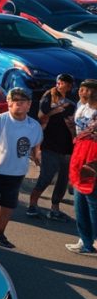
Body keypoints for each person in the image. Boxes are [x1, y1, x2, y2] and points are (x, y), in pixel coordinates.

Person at [0, 88, 43, 248]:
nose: (19, 103)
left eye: (23, 101)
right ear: (8, 102)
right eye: (15, 100)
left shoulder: (34, 126)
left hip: (17, 173)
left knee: (8, 206)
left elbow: (36, 149)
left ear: (29, 105)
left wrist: (37, 158)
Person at [27, 74, 75, 220]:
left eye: (63, 83)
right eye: (59, 82)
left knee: (62, 180)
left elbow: (74, 125)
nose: (60, 85)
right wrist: (56, 110)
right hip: (49, 144)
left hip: (67, 147)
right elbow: (41, 117)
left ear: (69, 86)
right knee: (46, 177)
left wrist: (72, 127)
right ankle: (32, 205)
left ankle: (55, 208)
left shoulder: (72, 103)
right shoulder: (48, 96)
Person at [66, 79, 97, 255]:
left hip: (93, 160)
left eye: (87, 90)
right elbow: (77, 133)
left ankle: (94, 240)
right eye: (82, 89)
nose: (83, 92)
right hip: (79, 155)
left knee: (93, 204)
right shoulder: (81, 108)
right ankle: (85, 242)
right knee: (80, 204)